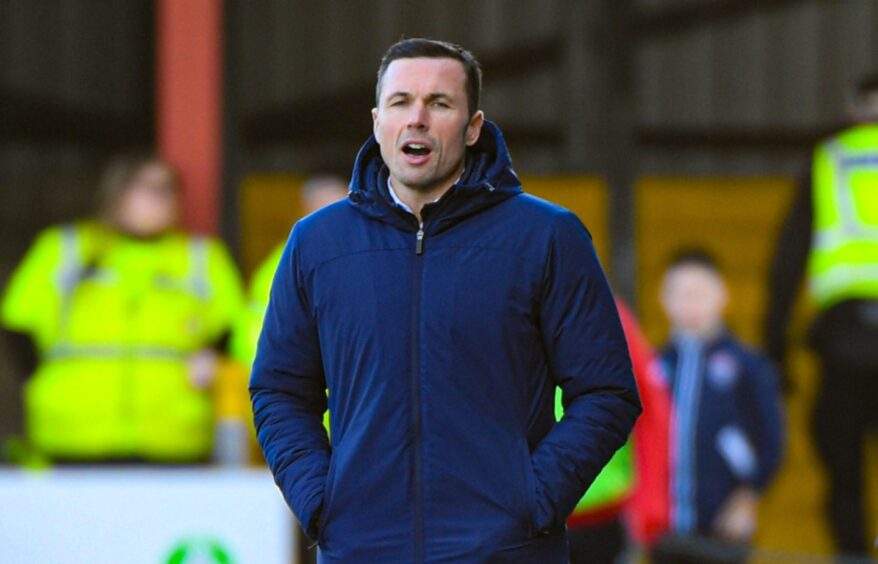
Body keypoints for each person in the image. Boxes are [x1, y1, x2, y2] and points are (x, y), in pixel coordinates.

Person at [250, 38, 641, 563]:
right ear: (376, 121)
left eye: (439, 103)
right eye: (400, 102)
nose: (417, 118)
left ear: (473, 126)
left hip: (505, 550)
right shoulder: (317, 245)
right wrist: (322, 502)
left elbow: (607, 391)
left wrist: (533, 499)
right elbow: (279, 391)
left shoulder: (547, 237)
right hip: (362, 549)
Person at [0, 155, 244, 463]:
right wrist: (44, 382)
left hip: (175, 436)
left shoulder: (202, 257)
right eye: (145, 187)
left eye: (167, 189)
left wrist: (214, 360)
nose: (158, 199)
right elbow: (17, 325)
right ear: (116, 191)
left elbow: (235, 332)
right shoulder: (64, 247)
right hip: (71, 433)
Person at [764, 74, 878, 557]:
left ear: (853, 108)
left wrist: (775, 345)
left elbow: (789, 258)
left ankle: (854, 555)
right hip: (845, 337)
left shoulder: (829, 158)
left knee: (842, 466)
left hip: (844, 337)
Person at [652, 250, 784, 563]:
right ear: (664, 299)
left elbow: (772, 441)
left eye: (700, 293)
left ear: (722, 295)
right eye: (681, 293)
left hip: (724, 527)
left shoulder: (747, 365)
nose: (690, 303)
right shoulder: (653, 367)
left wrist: (748, 498)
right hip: (664, 528)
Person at [564, 299, 671, 564]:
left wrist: (650, 505)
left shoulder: (603, 312)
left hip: (604, 515)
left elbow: (651, 413)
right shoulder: (495, 309)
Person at [230, 175, 349, 367]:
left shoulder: (367, 256)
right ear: (307, 212)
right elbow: (252, 340)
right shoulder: (282, 265)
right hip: (303, 389)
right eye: (326, 210)